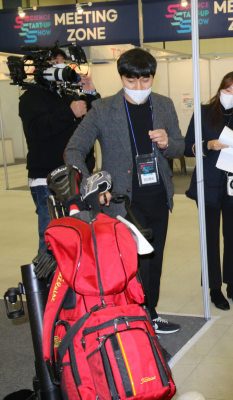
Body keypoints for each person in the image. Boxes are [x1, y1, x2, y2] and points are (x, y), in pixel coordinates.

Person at [65, 48, 184, 334]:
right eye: (132, 81)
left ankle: (150, 312)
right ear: (122, 78)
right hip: (122, 200)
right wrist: (93, 187)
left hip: (158, 194)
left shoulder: (164, 105)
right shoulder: (104, 109)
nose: (140, 87)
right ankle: (134, 317)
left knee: (154, 258)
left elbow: (181, 146)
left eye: (146, 80)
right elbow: (74, 151)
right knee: (131, 262)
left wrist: (168, 143)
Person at [184, 72, 233, 311]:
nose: (232, 97)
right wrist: (208, 145)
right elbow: (187, 147)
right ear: (220, 89)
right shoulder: (203, 113)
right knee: (210, 238)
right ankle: (214, 288)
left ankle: (232, 285)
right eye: (228, 91)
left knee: (232, 237)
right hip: (209, 184)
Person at [19, 48, 99, 253]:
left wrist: (90, 92)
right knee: (52, 238)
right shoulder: (31, 96)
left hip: (74, 176)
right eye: (54, 62)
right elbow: (36, 128)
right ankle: (46, 284)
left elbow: (92, 119)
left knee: (76, 236)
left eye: (62, 62)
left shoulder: (66, 94)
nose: (59, 67)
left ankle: (70, 283)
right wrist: (69, 113)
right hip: (47, 179)